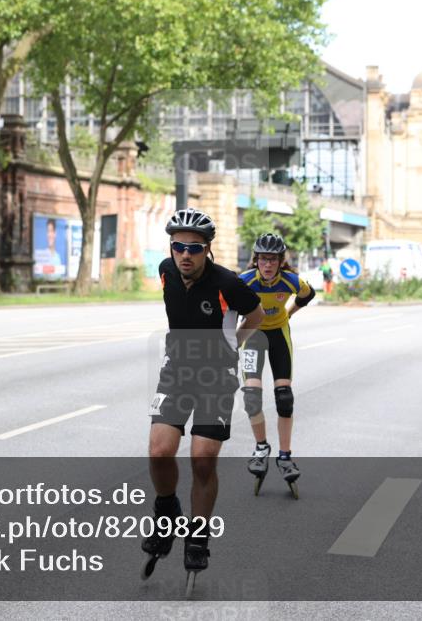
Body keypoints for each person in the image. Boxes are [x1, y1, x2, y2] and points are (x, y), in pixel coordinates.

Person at [142, 207, 264, 583]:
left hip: (215, 377)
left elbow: (257, 315)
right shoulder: (166, 271)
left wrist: (233, 343)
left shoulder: (227, 283)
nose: (185, 254)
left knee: (202, 459)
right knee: (159, 450)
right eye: (178, 246)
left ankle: (197, 536)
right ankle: (167, 510)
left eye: (194, 248)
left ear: (207, 249)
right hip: (176, 372)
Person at [238, 233, 316, 497]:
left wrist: (289, 313)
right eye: (263, 259)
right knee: (251, 397)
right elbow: (229, 309)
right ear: (256, 260)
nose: (268, 265)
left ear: (281, 261)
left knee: (284, 398)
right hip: (253, 334)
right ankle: (261, 447)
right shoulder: (245, 281)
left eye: (273, 260)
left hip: (279, 334)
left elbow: (308, 294)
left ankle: (284, 456)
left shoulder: (291, 280)